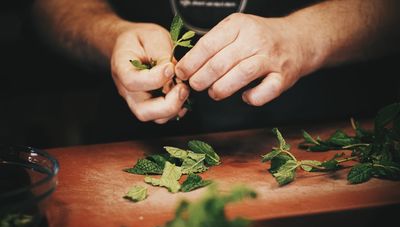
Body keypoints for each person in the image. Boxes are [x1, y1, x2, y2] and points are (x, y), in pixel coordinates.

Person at [32, 0, 400, 130]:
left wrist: (306, 36)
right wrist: (112, 35)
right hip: (133, 149)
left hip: (326, 149)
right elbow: (51, 7)